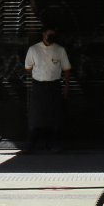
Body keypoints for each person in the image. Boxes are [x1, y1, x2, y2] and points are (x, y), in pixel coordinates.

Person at [24, 24, 71, 153]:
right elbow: (28, 68)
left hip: (54, 85)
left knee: (55, 115)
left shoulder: (60, 50)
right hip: (38, 85)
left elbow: (67, 69)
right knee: (36, 114)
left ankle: (54, 143)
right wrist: (39, 74)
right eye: (49, 34)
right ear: (43, 34)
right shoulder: (34, 49)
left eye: (53, 35)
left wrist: (66, 86)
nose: (51, 37)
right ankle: (32, 143)